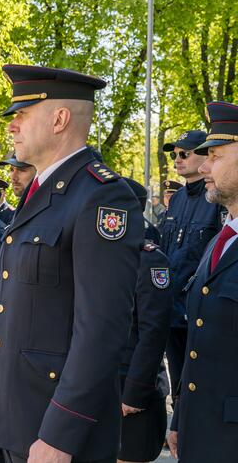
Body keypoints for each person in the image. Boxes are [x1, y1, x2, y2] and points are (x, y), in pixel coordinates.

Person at [0, 64, 144, 463]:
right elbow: (15, 313)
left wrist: (61, 432)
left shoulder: (101, 197)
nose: (11, 126)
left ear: (60, 118)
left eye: (21, 115)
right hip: (19, 414)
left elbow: (102, 329)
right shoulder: (41, 192)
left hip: (58, 429)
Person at [168, 101, 238, 462]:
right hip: (201, 432)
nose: (205, 165)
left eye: (215, 155)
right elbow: (200, 341)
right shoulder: (221, 239)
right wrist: (181, 417)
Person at [160, 131, 226, 405]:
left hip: (200, 313)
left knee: (201, 392)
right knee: (178, 390)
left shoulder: (216, 199)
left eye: (184, 153)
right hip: (171, 309)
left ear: (204, 157)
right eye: (174, 154)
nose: (177, 159)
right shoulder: (176, 200)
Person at [117, 178, 172, 463]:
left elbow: (153, 332)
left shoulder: (149, 259)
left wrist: (135, 393)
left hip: (134, 392)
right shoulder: (110, 256)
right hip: (107, 386)